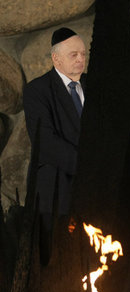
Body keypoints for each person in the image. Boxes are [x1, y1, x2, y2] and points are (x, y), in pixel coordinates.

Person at [23, 27, 86, 265]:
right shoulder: (37, 91)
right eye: (73, 55)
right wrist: (88, 166)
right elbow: (46, 143)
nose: (80, 59)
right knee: (54, 262)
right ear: (55, 58)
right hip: (54, 192)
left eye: (82, 54)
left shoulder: (94, 87)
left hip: (90, 194)